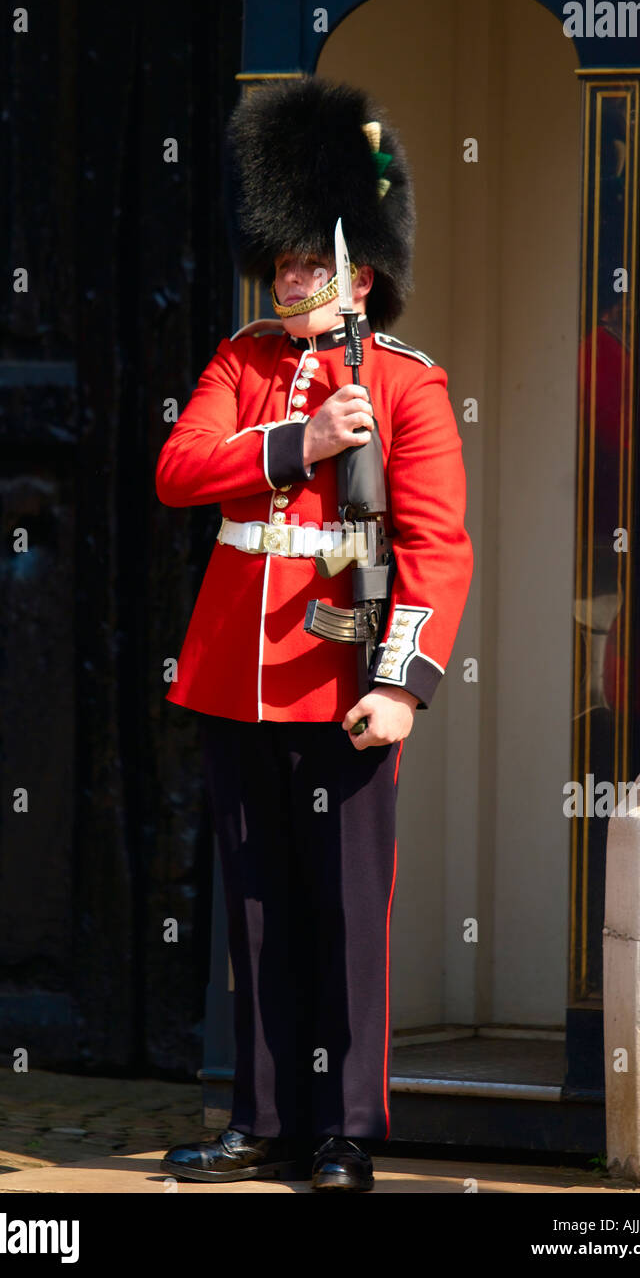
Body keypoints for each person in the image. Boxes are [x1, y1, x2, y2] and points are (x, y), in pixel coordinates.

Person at [156, 76, 473, 1191]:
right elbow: (179, 469)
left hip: (343, 683)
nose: (290, 280)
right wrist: (294, 437)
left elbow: (437, 547)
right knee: (255, 918)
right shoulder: (242, 365)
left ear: (359, 272)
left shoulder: (405, 385)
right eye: (283, 263)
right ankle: (265, 1120)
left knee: (342, 920)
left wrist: (403, 682)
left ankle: (344, 1133)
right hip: (232, 683)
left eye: (310, 263)